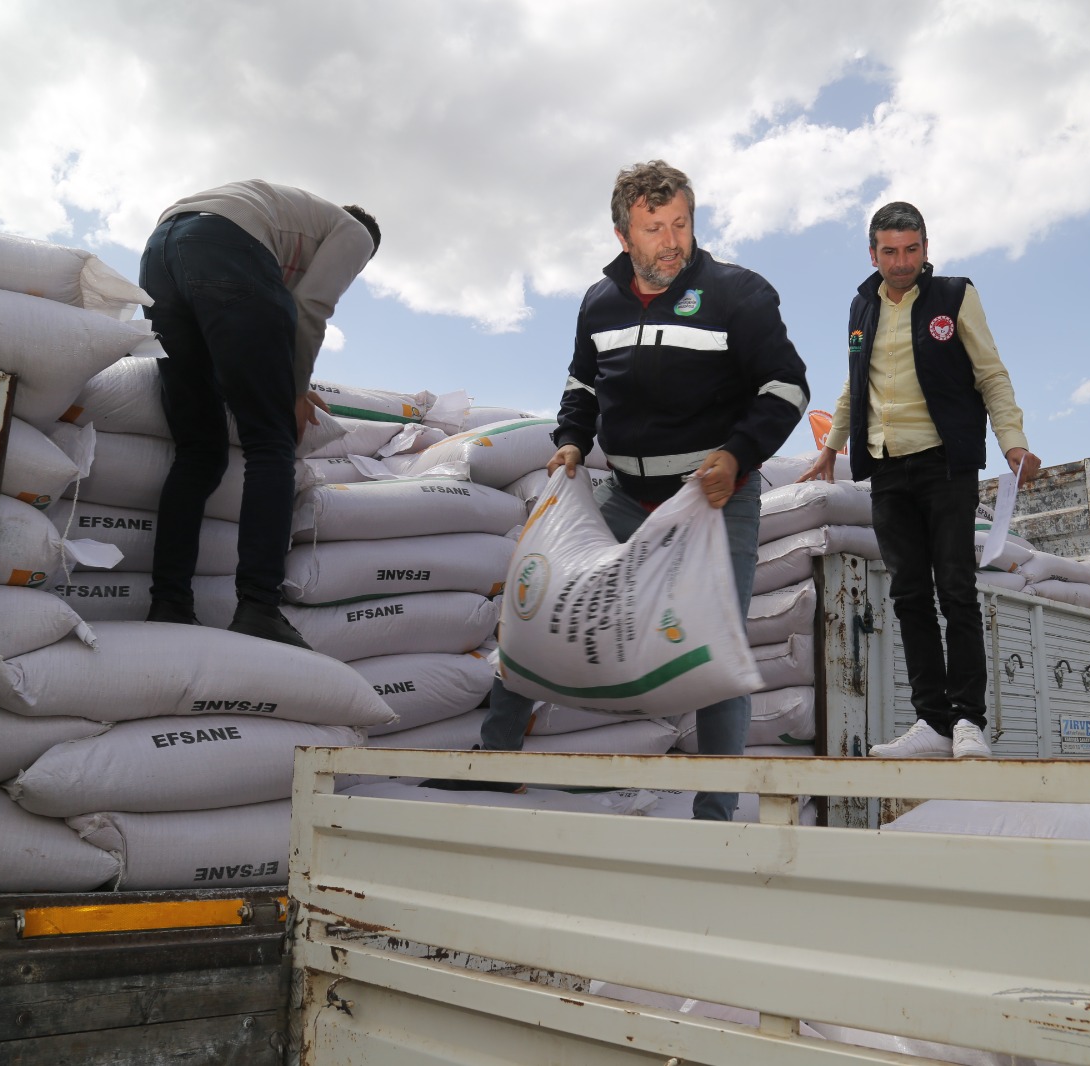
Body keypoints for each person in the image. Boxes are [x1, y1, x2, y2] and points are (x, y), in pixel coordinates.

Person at [429, 160, 810, 820]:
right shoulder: (599, 304)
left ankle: (715, 816)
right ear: (622, 235)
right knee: (537, 611)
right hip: (628, 495)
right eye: (654, 227)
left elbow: (786, 387)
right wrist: (572, 440)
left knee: (716, 647)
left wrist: (736, 454)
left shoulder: (737, 294)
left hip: (713, 499)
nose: (671, 241)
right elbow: (581, 385)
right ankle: (494, 768)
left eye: (681, 224)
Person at [800, 201, 1038, 759]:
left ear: (925, 249)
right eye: (889, 251)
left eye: (911, 250)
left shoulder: (954, 297)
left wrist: (1014, 440)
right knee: (907, 594)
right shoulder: (862, 306)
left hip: (944, 464)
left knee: (955, 588)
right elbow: (855, 382)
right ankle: (931, 721)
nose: (901, 262)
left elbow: (991, 374)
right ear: (872, 252)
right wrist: (832, 447)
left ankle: (968, 721)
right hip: (886, 467)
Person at [139, 180, 380, 647]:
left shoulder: (291, 220)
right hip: (225, 248)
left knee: (198, 452)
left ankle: (168, 604)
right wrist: (295, 391)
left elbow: (254, 319)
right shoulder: (356, 233)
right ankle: (258, 606)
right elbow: (310, 307)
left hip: (159, 253)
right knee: (271, 443)